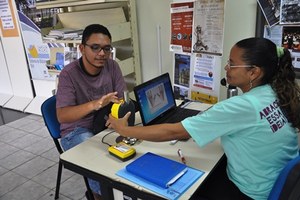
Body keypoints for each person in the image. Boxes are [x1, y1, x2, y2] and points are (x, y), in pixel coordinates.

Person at [106, 37, 300, 199]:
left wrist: (124, 130)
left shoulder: (243, 106)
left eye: (232, 64)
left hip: (250, 193)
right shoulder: (275, 91)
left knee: (182, 190)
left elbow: (173, 131)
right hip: (272, 183)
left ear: (254, 72)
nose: (227, 67)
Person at [56, 24, 126, 200]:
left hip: (105, 122)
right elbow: (62, 115)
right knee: (100, 167)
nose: (102, 53)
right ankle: (100, 195)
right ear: (81, 48)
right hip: (76, 130)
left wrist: (116, 115)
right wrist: (95, 104)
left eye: (106, 48)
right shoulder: (68, 74)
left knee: (132, 149)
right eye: (95, 47)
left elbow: (121, 99)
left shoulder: (112, 66)